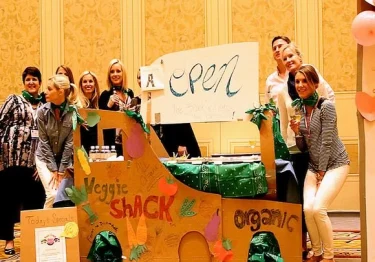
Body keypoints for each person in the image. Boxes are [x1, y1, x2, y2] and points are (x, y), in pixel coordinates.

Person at [289, 65, 349, 262]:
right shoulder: (298, 107)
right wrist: (297, 130)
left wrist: (322, 172)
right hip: (314, 166)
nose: (300, 85)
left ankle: (329, 256)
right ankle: (317, 252)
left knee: (318, 209)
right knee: (307, 209)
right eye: (297, 81)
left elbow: (327, 141)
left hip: (335, 163)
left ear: (315, 83)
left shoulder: (326, 106)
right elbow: (304, 147)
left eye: (305, 81)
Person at [0, 67, 46, 255]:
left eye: (34, 79)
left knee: (34, 199)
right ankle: (9, 241)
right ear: (24, 82)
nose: (31, 82)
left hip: (34, 162)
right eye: (28, 79)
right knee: (8, 200)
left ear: (40, 82)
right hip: (11, 159)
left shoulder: (45, 104)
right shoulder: (14, 100)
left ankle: (29, 239)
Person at [278, 43, 335, 148]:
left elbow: (326, 103)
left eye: (291, 56)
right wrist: (284, 146)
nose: (288, 60)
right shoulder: (282, 91)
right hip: (294, 144)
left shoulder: (314, 78)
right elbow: (283, 124)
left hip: (317, 142)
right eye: (285, 59)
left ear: (299, 57)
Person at [35, 74, 78, 208]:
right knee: (53, 194)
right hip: (44, 158)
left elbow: (70, 144)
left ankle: (62, 226)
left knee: (63, 197)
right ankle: (43, 226)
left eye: (49, 89)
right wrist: (53, 169)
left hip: (64, 161)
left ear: (60, 91)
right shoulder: (42, 112)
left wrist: (61, 171)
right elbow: (44, 142)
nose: (45, 92)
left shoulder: (73, 112)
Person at [137, 69, 201, 158]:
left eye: (143, 77)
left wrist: (180, 144)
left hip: (168, 150)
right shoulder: (136, 102)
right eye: (139, 78)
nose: (141, 80)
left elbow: (181, 125)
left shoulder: (167, 100)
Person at [99, 59, 134, 156]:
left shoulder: (129, 92)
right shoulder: (105, 95)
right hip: (112, 144)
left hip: (129, 139)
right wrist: (109, 105)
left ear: (123, 73)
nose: (115, 74)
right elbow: (102, 122)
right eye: (112, 71)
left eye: (118, 71)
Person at [77, 71, 100, 152]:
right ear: (81, 85)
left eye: (90, 81)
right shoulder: (76, 103)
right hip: (81, 145)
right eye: (84, 81)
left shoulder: (99, 102)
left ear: (95, 84)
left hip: (97, 147)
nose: (88, 84)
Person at [265, 36, 291, 104]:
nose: (277, 50)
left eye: (280, 46)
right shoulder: (270, 80)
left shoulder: (301, 72)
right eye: (274, 48)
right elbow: (268, 107)